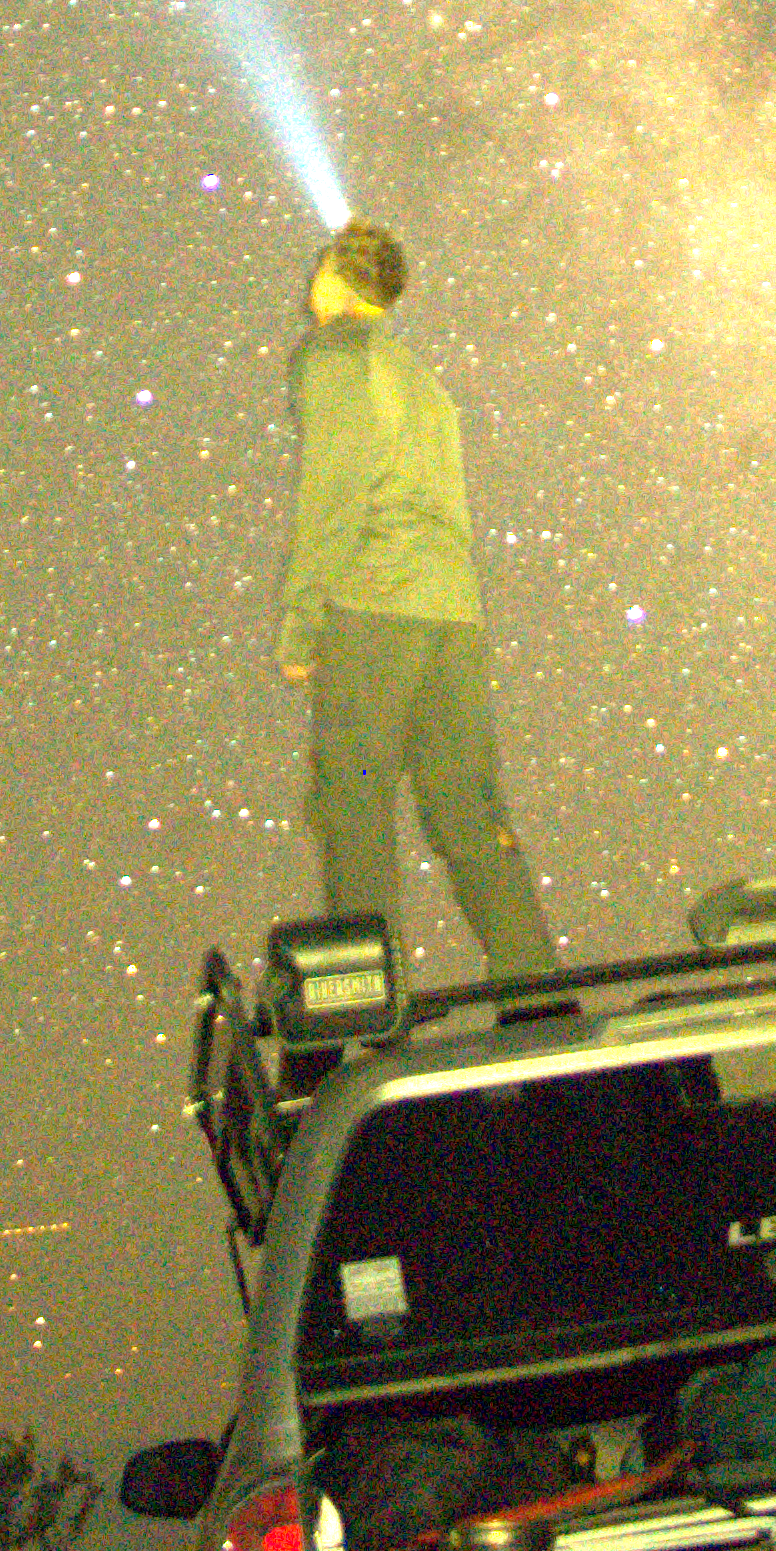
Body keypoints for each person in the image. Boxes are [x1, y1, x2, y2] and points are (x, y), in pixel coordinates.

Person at [276, 221, 556, 983]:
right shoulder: (421, 378)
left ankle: (362, 1006)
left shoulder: (333, 355)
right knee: (469, 811)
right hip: (450, 613)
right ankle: (536, 997)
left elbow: (332, 490)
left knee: (353, 805)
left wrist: (301, 626)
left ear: (337, 279)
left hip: (376, 604)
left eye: (321, 266)